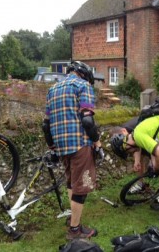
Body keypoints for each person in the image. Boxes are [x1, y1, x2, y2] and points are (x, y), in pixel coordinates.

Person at [42, 60, 102, 240]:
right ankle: (75, 230)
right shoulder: (83, 86)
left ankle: (73, 219)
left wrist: (52, 146)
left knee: (72, 183)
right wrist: (97, 142)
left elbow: (46, 124)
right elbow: (87, 121)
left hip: (62, 147)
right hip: (80, 144)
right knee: (82, 186)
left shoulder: (52, 90)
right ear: (83, 73)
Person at [110, 118, 159, 210]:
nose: (122, 141)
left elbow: (156, 143)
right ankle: (140, 184)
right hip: (148, 139)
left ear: (123, 131)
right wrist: (137, 161)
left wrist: (154, 161)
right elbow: (136, 147)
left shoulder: (134, 128)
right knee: (141, 161)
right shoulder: (128, 134)